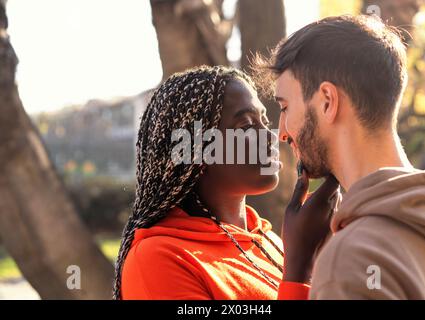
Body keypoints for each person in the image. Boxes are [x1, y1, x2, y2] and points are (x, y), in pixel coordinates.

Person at [258, 14, 425, 299]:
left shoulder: (351, 262)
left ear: (327, 101)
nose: (282, 133)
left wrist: (299, 271)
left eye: (285, 108)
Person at [113, 65, 336, 300]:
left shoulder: (267, 240)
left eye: (265, 120)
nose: (270, 135)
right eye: (247, 126)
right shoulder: (157, 259)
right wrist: (301, 267)